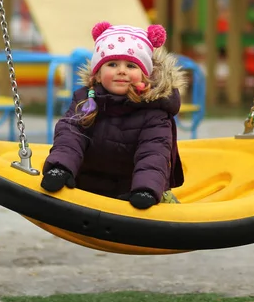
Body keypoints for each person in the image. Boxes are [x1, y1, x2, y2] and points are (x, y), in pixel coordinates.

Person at [40, 21, 186, 209]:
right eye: (112, 64)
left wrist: (145, 189)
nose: (122, 70)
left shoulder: (154, 112)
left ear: (145, 76)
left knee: (169, 215)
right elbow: (70, 137)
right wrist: (60, 168)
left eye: (131, 66)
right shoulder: (86, 101)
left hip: (135, 189)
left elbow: (154, 153)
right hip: (89, 186)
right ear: (98, 75)